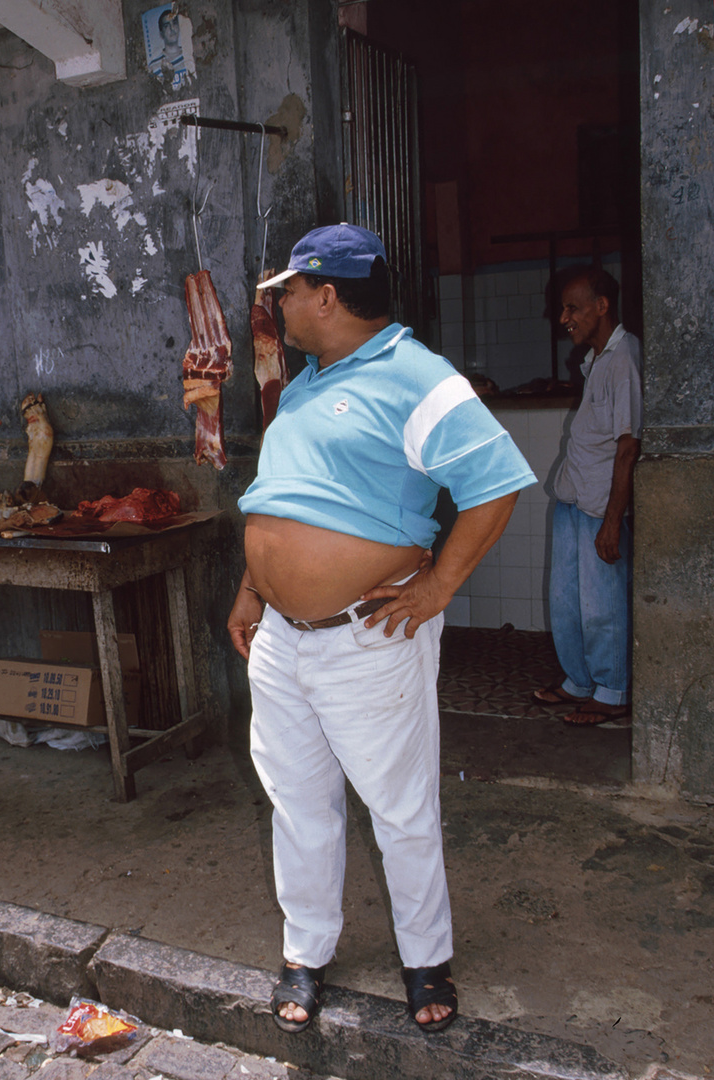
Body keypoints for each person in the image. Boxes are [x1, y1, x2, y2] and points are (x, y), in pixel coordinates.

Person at [228, 223, 536, 1034]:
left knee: (398, 809)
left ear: (325, 295)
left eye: (287, 292)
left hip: (367, 637)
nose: (278, 306)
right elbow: (285, 496)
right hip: (282, 638)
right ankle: (306, 953)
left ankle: (425, 959)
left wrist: (436, 587)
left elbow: (495, 485)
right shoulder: (301, 384)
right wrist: (253, 587)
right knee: (297, 804)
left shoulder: (418, 378)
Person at [534, 266, 642, 725]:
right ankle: (579, 680)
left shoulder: (623, 358)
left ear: (602, 306)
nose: (564, 317)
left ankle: (612, 690)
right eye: (563, 308)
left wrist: (614, 520)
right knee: (567, 599)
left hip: (600, 506)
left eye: (572, 307)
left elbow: (628, 445)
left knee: (602, 606)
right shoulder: (597, 358)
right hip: (574, 500)